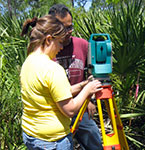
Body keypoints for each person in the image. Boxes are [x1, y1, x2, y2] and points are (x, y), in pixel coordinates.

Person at [20, 15, 102, 150]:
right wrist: (88, 90)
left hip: (32, 135)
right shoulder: (53, 69)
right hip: (52, 142)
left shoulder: (28, 62)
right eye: (59, 42)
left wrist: (83, 85)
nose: (61, 48)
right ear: (48, 40)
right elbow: (69, 110)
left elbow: (56, 94)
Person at [49, 4, 103, 150]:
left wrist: (91, 99)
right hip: (56, 111)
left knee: (95, 144)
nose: (69, 32)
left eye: (70, 27)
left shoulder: (83, 45)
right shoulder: (47, 50)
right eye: (64, 28)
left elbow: (91, 73)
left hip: (81, 106)